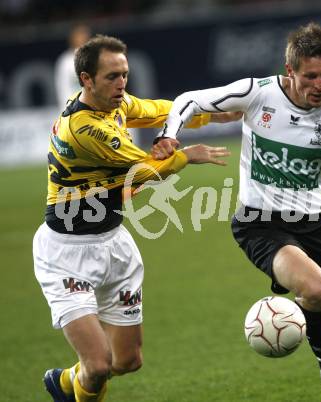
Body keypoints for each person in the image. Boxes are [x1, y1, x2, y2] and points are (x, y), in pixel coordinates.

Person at [151, 22, 321, 402]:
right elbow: (190, 99)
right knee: (314, 287)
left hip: (315, 221)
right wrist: (169, 134)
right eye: (310, 76)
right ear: (290, 71)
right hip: (259, 224)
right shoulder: (258, 94)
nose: (319, 85)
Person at [33, 34, 238, 402]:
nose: (122, 84)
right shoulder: (83, 129)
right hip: (66, 252)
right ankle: (80, 384)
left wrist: (209, 113)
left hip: (114, 245)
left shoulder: (115, 103)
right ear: (86, 80)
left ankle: (65, 383)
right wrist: (185, 155)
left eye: (124, 75)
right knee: (97, 365)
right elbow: (142, 172)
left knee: (126, 361)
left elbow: (157, 110)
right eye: (112, 76)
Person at [54, 24, 91, 109]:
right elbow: (63, 89)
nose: (83, 38)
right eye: (80, 35)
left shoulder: (95, 58)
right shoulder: (65, 61)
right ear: (72, 38)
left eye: (85, 35)